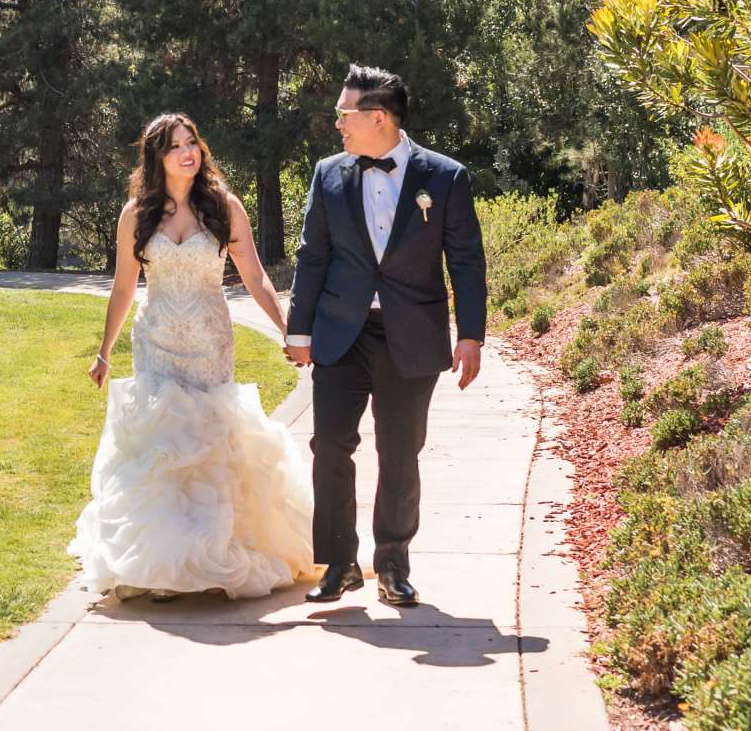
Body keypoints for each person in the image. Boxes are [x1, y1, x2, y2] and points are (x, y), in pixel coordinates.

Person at [69, 112, 321, 600]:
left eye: (193, 142)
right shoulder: (135, 215)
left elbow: (255, 275)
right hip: (156, 340)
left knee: (208, 442)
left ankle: (213, 553)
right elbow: (124, 286)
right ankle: (164, 565)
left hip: (208, 342)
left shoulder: (223, 207)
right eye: (176, 146)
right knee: (164, 446)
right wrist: (104, 352)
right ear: (157, 158)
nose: (188, 152)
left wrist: (288, 329)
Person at [285, 64, 489, 607]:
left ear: (378, 118)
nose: (337, 124)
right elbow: (313, 256)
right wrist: (298, 328)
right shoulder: (328, 174)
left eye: (344, 114)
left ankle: (392, 566)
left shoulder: (445, 178)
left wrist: (471, 335)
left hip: (412, 336)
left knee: (400, 453)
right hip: (339, 335)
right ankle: (338, 563)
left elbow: (466, 261)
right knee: (329, 445)